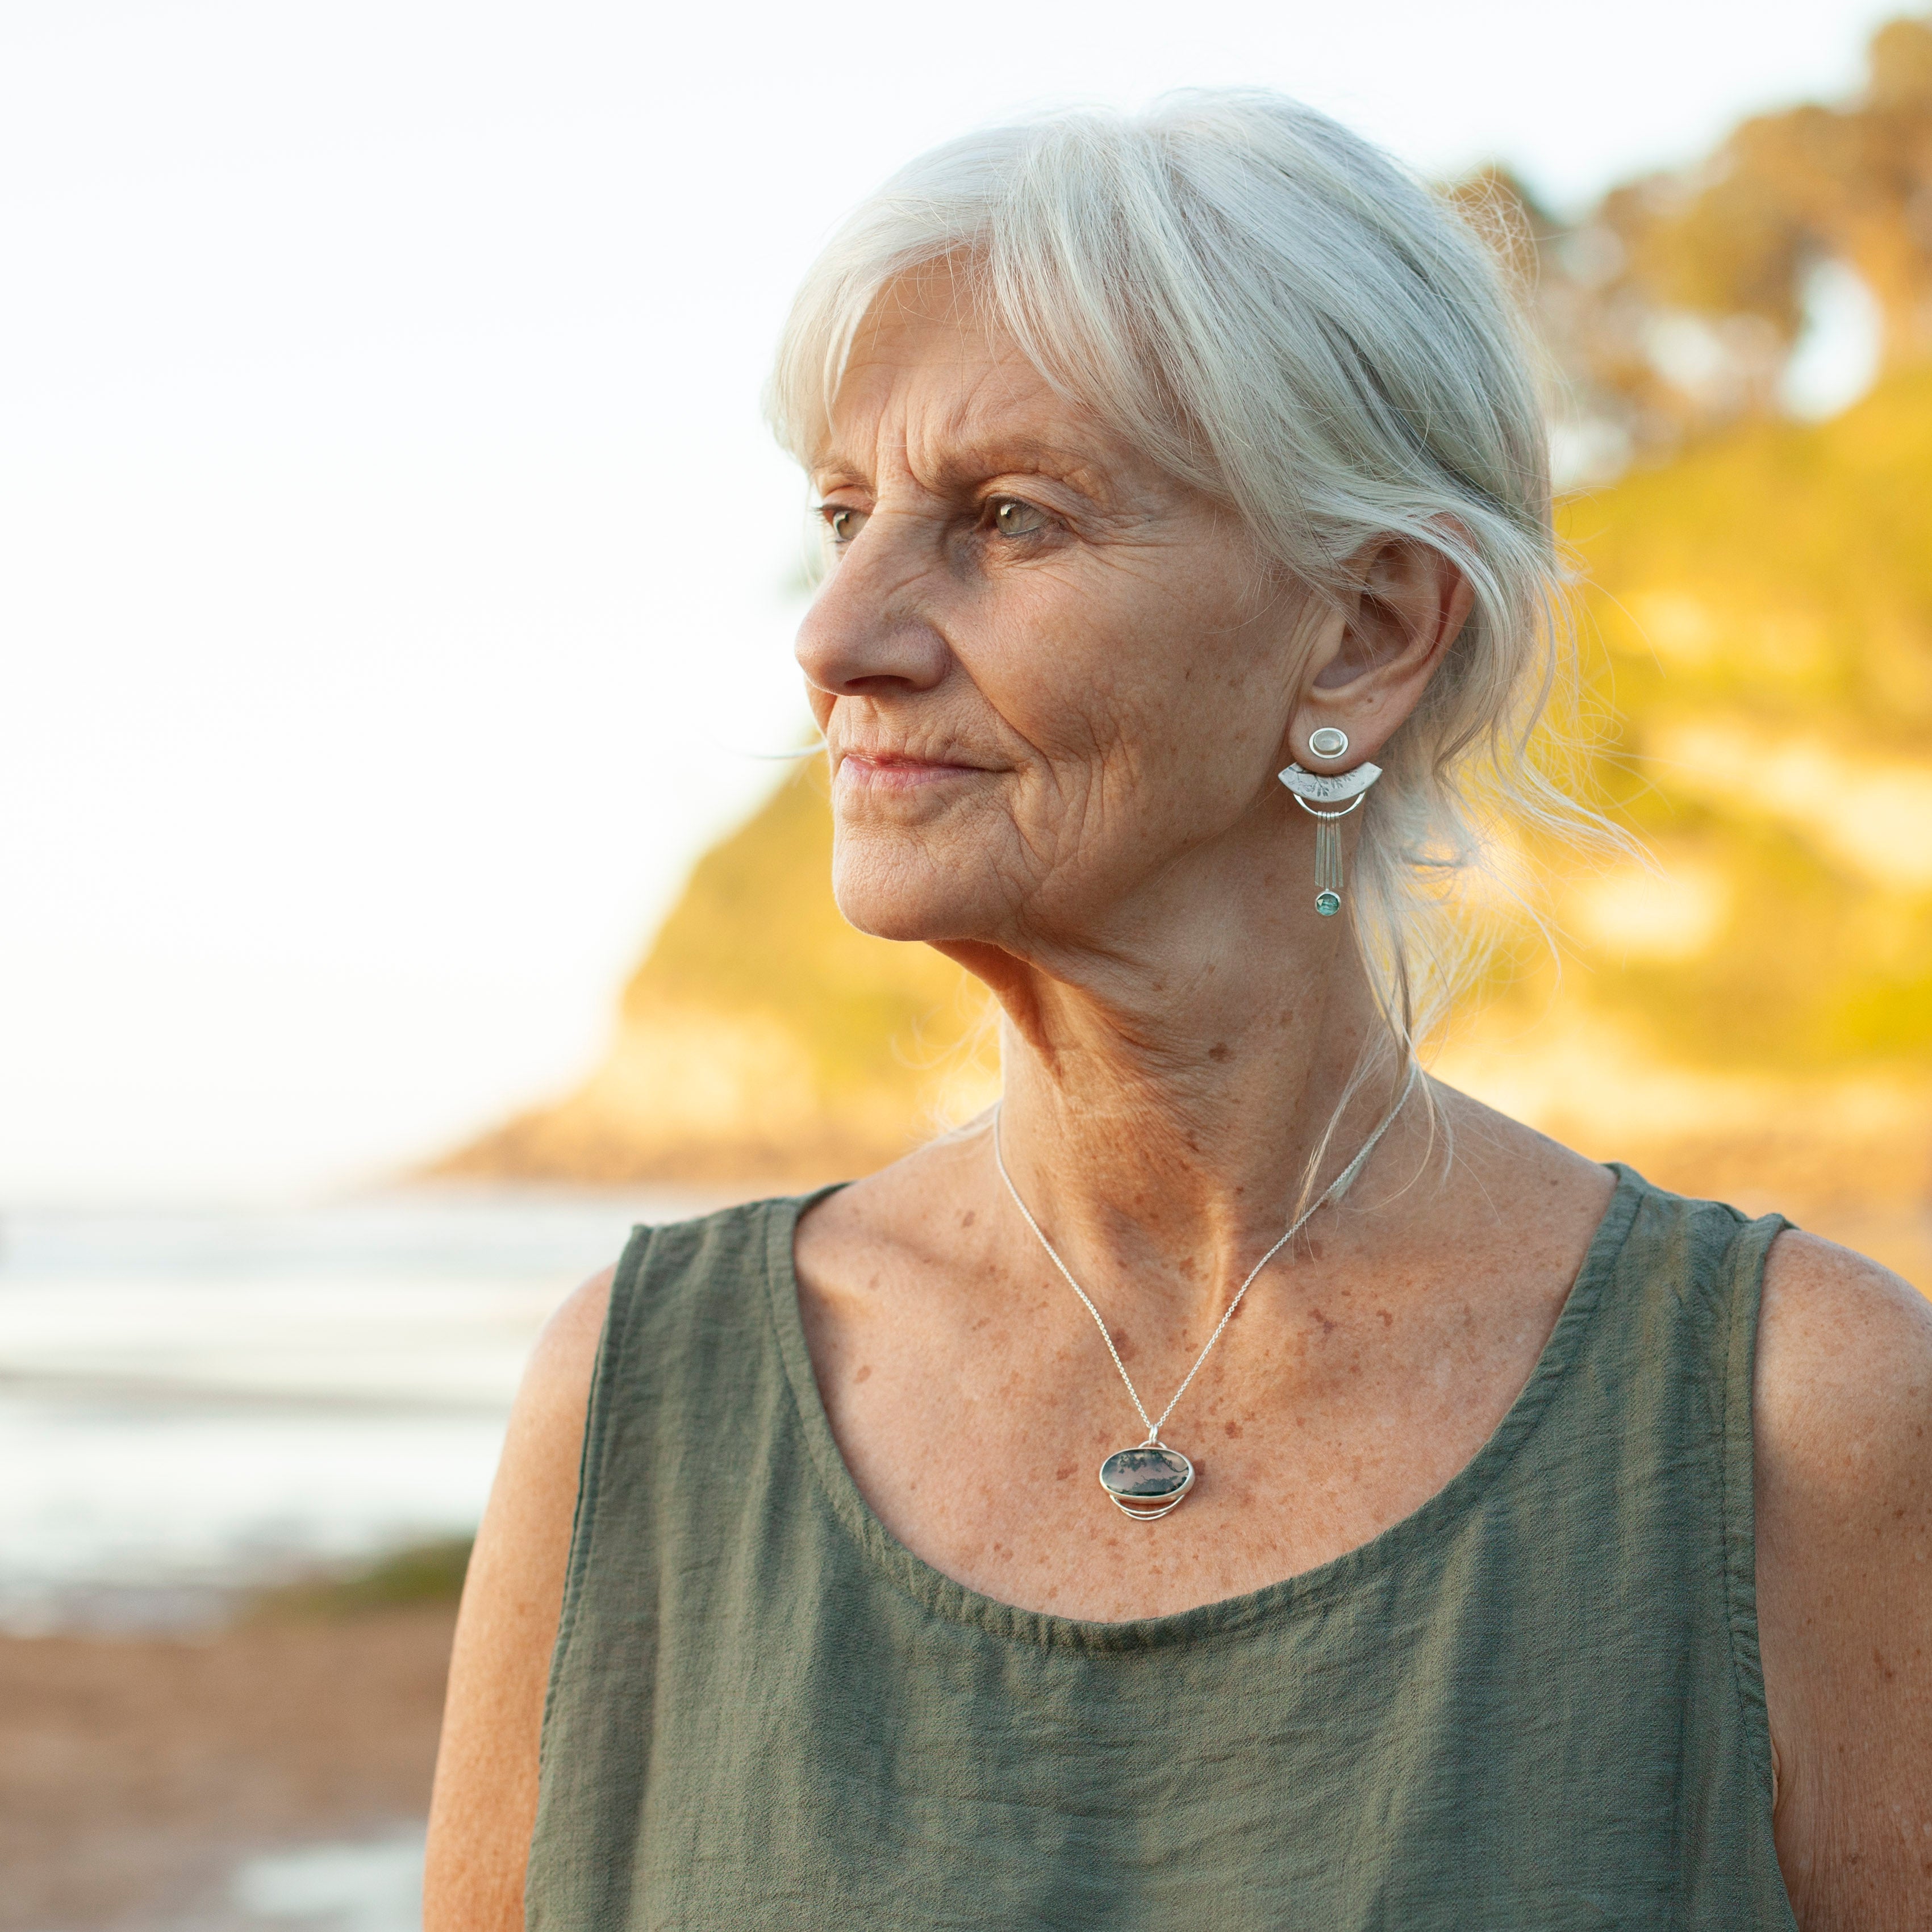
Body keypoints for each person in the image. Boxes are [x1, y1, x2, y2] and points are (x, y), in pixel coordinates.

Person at [424, 92, 1932, 1930]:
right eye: (842, 513)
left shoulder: (1796, 1419)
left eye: (1006, 517)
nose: (835, 632)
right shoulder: (637, 1406)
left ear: (1368, 633)